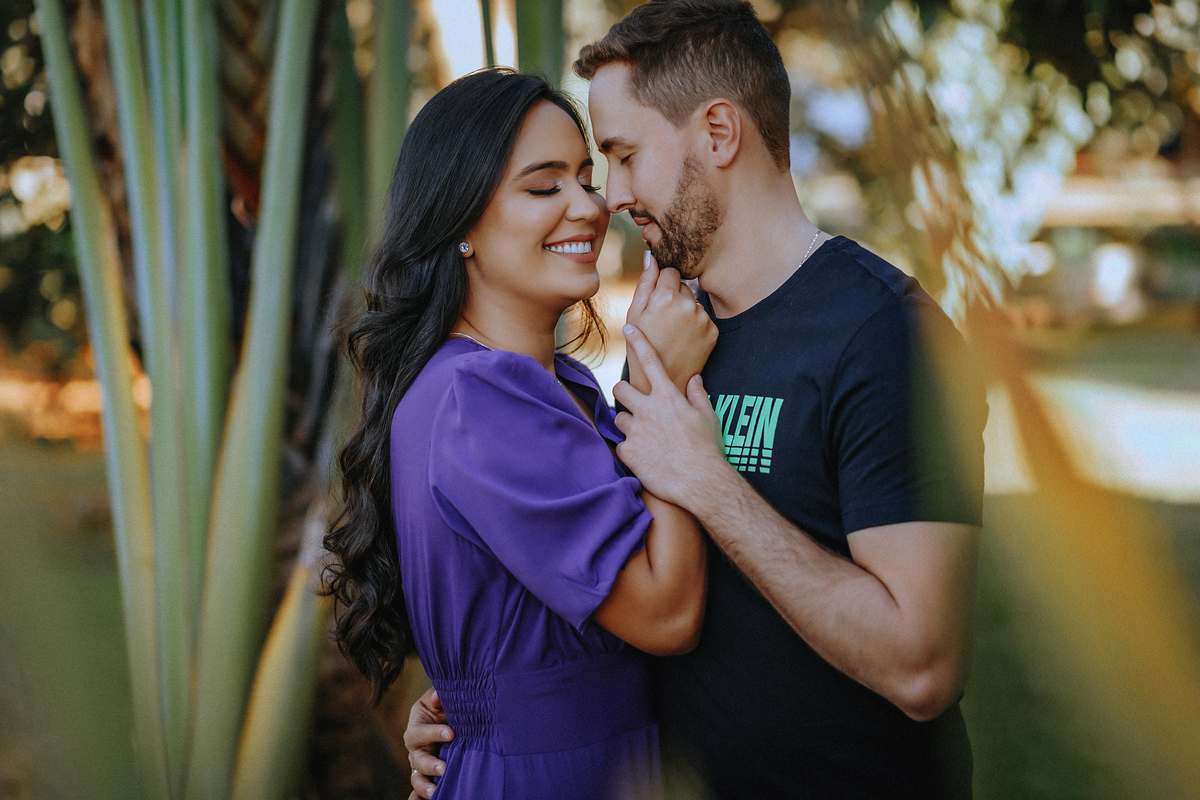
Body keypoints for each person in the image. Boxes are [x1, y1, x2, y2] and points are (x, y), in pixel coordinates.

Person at [405, 1, 988, 799]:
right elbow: (600, 570)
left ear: (718, 132)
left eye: (622, 156)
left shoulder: (886, 333)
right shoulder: (673, 331)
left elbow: (922, 668)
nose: (609, 197)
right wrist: (480, 710)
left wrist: (707, 480)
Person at [323, 68, 718, 800]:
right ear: (460, 225)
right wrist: (664, 382)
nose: (589, 207)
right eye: (544, 187)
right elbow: (665, 612)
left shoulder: (558, 385)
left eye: (585, 179)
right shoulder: (479, 397)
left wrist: (475, 702)